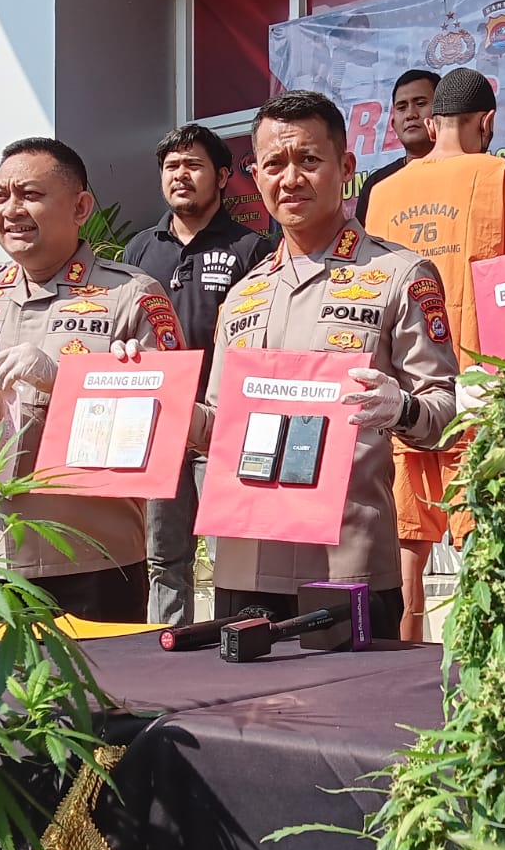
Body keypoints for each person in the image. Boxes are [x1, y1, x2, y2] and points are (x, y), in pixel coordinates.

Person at [182, 89, 458, 637]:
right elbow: (217, 426)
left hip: (345, 561)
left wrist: (399, 408)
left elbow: (448, 413)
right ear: (256, 176)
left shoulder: (401, 275)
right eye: (274, 164)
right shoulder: (242, 295)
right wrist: (166, 408)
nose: (291, 179)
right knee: (242, 717)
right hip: (246, 559)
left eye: (309, 160)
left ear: (346, 168)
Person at [0, 136, 186, 621]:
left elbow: (173, 428)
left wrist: (66, 382)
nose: (12, 209)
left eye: (30, 195)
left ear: (80, 207)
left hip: (96, 564)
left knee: (99, 698)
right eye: (0, 196)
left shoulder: (132, 296)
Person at [363, 67, 505, 639]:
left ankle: (401, 644)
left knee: (408, 530)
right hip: (477, 383)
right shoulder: (498, 173)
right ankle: (478, 653)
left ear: (434, 123)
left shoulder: (383, 193)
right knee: (479, 529)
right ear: (486, 122)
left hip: (405, 386)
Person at [122, 124, 273, 625]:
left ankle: (239, 647)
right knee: (165, 557)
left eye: (193, 165)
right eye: (171, 166)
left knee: (233, 554)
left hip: (223, 429)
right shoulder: (140, 250)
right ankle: (170, 650)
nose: (180, 175)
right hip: (159, 427)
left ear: (223, 176)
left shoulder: (251, 248)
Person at [353, 69, 439, 224]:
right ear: (393, 124)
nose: (410, 114)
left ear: (443, 112)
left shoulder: (468, 173)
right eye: (401, 107)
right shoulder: (377, 184)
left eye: (420, 103)